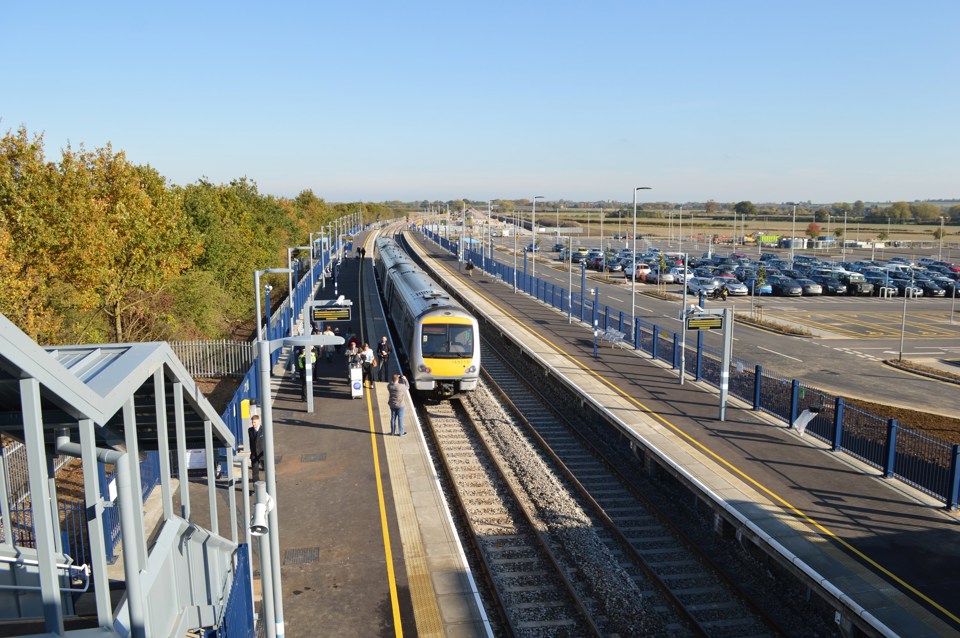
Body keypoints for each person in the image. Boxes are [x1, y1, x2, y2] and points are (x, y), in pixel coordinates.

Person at [248, 414, 263, 483]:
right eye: (252, 422)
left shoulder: (263, 430)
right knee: (255, 472)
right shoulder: (250, 430)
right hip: (254, 454)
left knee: (268, 469)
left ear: (258, 421)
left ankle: (273, 480)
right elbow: (251, 442)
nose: (253, 424)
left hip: (262, 454)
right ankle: (256, 489)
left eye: (255, 422)